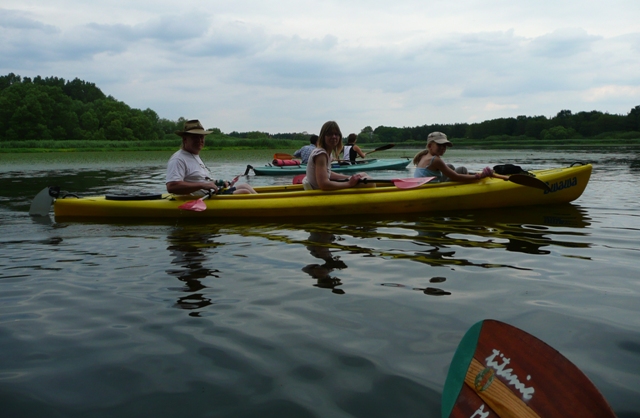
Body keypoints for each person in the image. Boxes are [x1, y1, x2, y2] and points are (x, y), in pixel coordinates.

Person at [166, 119, 257, 195]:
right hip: (199, 201)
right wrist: (202, 185)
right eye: (195, 137)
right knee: (244, 192)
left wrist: (216, 183)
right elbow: (172, 187)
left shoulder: (194, 155)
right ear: (185, 139)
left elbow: (200, 180)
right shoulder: (178, 159)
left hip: (212, 194)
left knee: (245, 186)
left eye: (202, 137)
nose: (200, 140)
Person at [304, 121, 371, 190]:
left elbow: (328, 173)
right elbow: (323, 184)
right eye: (330, 134)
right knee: (370, 182)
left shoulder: (327, 153)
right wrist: (349, 183)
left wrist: (349, 177)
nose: (334, 137)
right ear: (323, 136)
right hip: (319, 192)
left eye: (336, 134)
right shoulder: (321, 154)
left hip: (320, 188)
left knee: (363, 174)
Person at [412, 132, 493, 182]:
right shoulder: (435, 160)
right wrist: (478, 176)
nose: (443, 148)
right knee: (462, 169)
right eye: (439, 145)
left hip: (423, 185)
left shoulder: (423, 155)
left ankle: (470, 175)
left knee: (449, 166)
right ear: (430, 146)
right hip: (430, 189)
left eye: (445, 145)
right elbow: (456, 176)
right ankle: (471, 179)